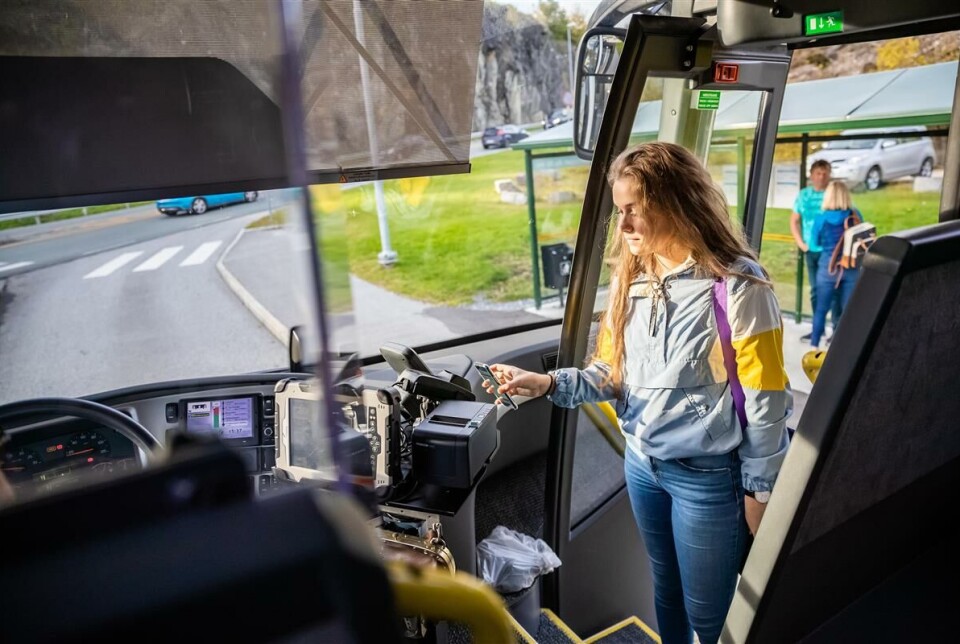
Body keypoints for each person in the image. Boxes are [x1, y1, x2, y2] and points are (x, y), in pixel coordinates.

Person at [484, 142, 792, 644]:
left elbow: (766, 401)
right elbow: (610, 373)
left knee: (710, 617)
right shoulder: (631, 279)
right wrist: (548, 384)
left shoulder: (739, 287)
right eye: (619, 211)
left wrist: (760, 489)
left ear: (676, 204)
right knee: (666, 592)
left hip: (709, 480)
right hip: (642, 465)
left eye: (634, 211)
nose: (623, 226)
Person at [791, 159, 841, 340]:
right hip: (811, 251)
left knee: (834, 291)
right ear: (811, 175)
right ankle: (817, 329)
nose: (821, 176)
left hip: (831, 252)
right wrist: (801, 243)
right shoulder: (804, 195)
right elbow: (794, 220)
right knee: (815, 291)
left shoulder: (834, 193)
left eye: (825, 173)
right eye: (818, 173)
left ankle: (837, 331)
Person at [809, 180, 862, 348]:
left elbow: (813, 243)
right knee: (848, 313)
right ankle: (841, 348)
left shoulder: (821, 218)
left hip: (827, 269)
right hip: (851, 269)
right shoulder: (855, 215)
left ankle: (814, 347)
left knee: (821, 310)